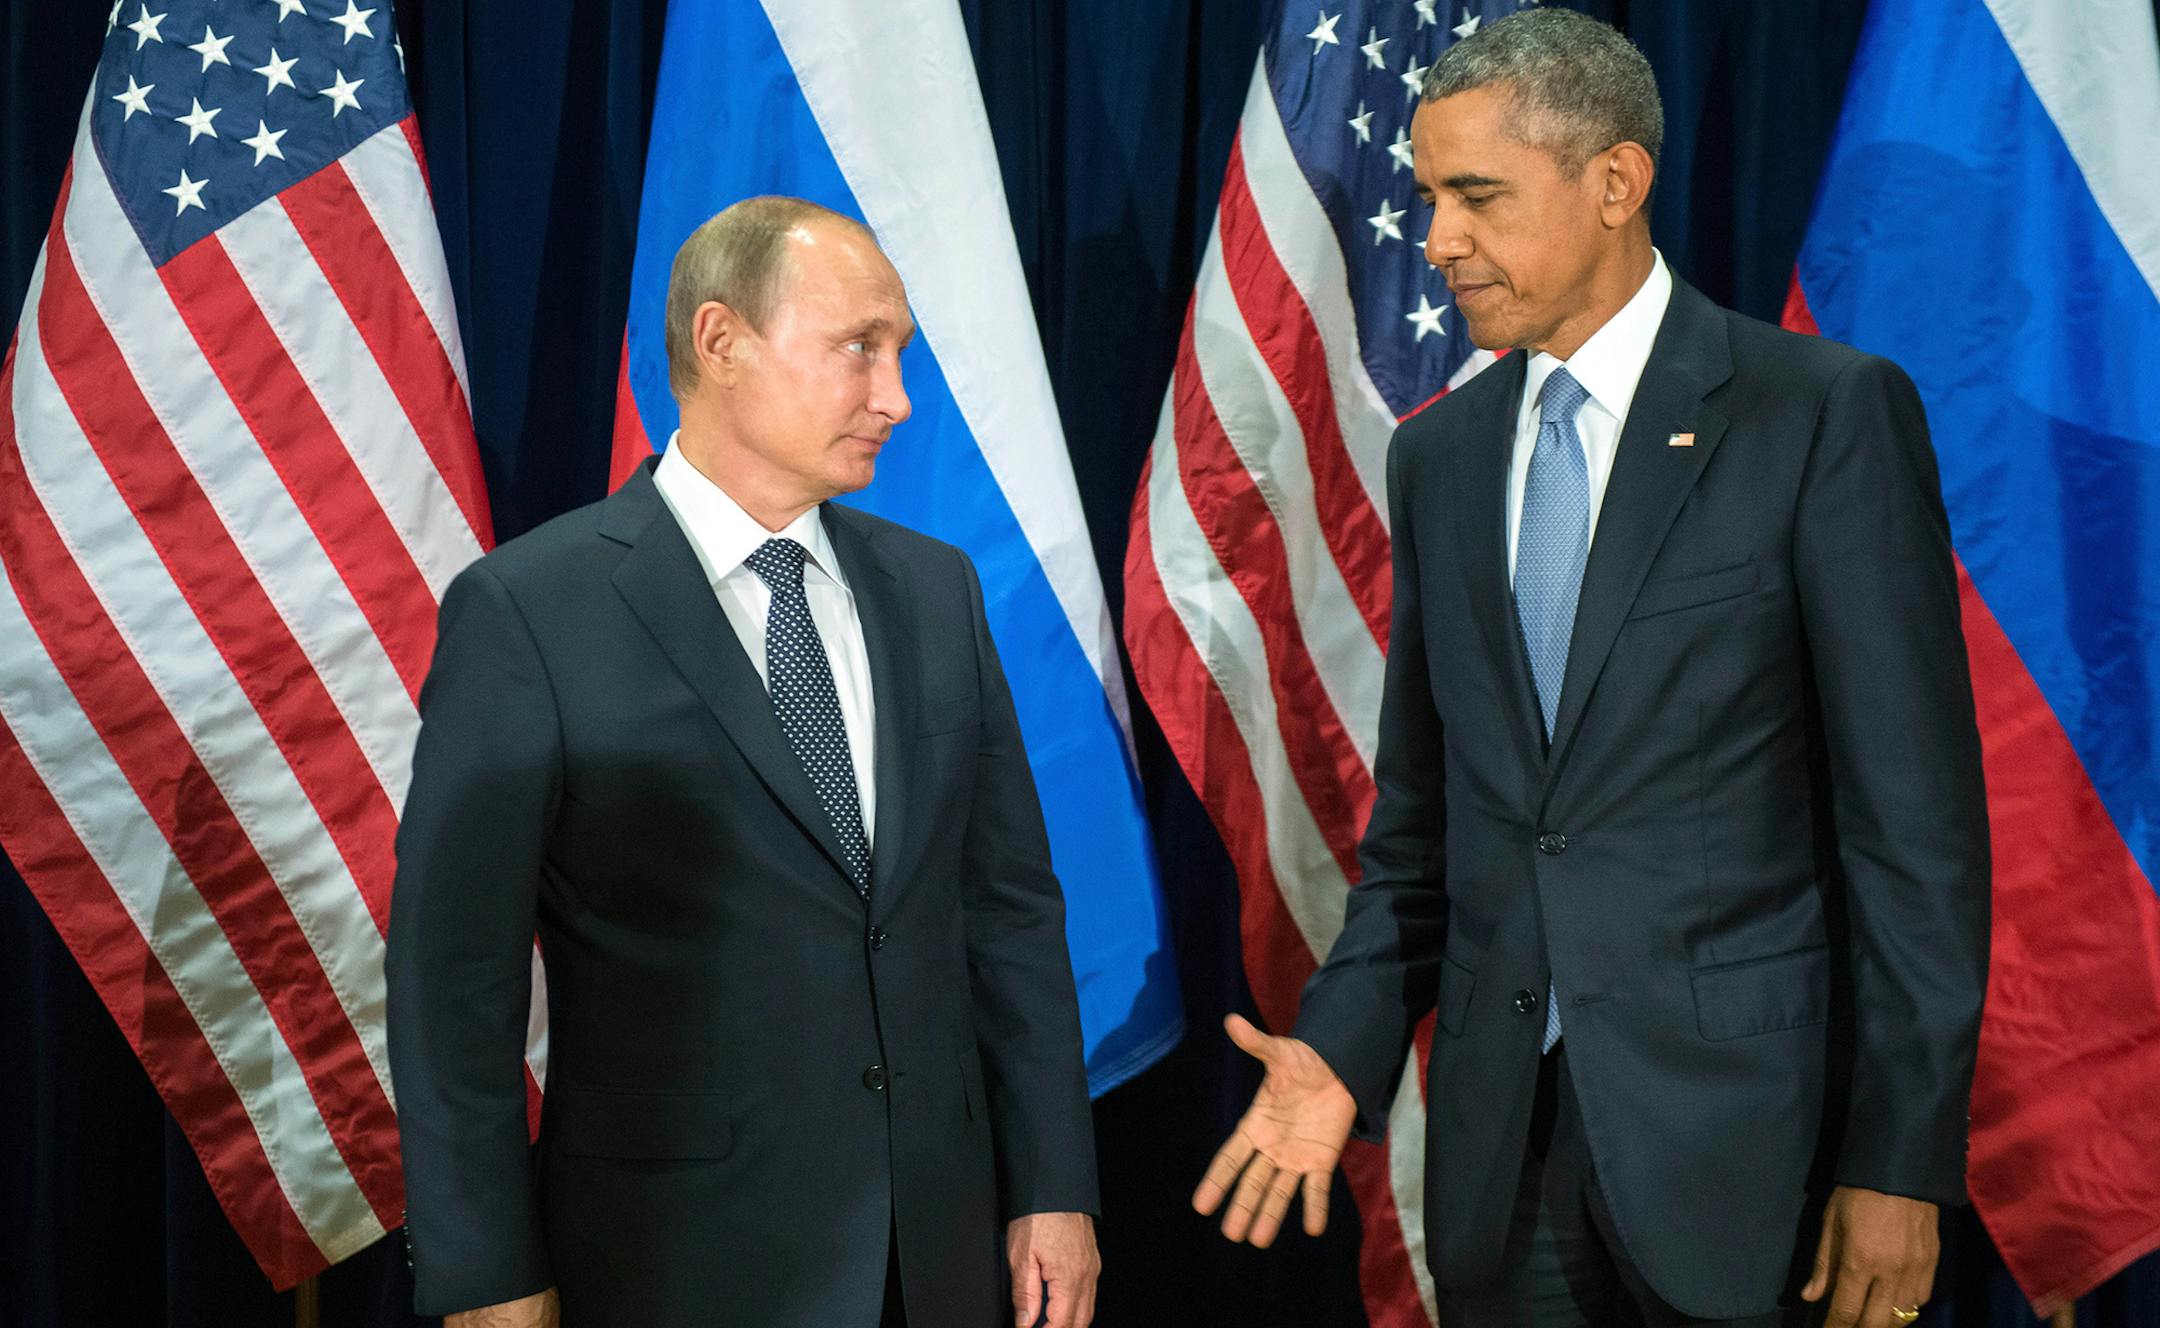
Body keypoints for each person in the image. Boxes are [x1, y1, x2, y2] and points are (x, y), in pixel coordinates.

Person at [1193, 12, 1989, 1328]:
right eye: (1429, 197)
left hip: (1753, 1170)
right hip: (1509, 1174)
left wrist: (1900, 1163)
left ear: (1614, 183)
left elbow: (1915, 843)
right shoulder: (1439, 462)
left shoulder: (1817, 416)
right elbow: (1421, 843)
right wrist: (1339, 1056)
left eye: (1476, 195)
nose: (1439, 239)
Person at [387, 197, 1101, 1328]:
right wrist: (487, 1270)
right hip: (673, 1265)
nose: (897, 398)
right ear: (721, 342)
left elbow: (1007, 909)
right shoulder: (530, 611)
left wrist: (1055, 1184)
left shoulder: (935, 590)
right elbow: (452, 982)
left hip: (943, 1257)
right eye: (860, 347)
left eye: (901, 352)